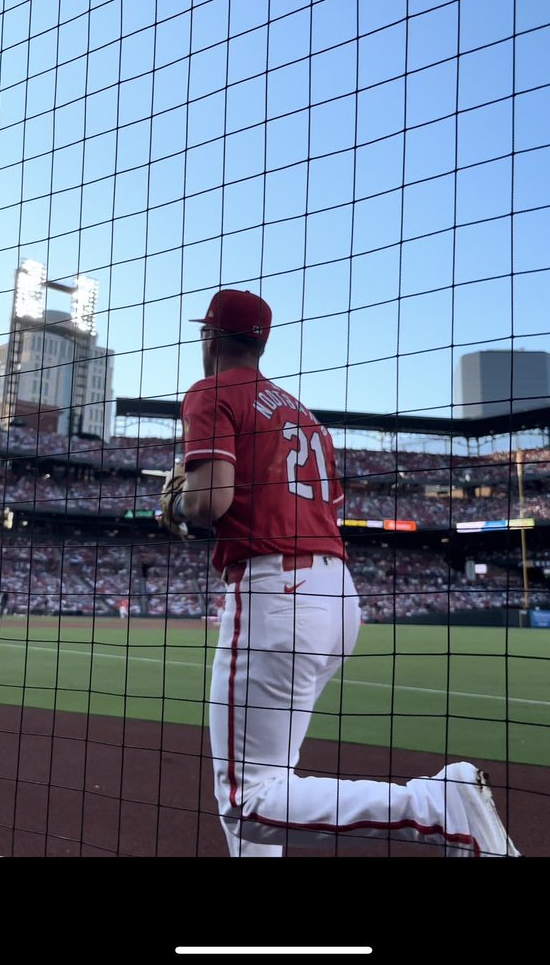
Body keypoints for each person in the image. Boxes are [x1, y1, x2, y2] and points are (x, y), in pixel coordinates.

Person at [173, 288, 521, 859]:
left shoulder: (212, 390)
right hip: (335, 597)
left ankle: (437, 809)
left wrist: (185, 500)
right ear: (261, 340)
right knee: (270, 778)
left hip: (277, 594)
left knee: (248, 799)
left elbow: (208, 503)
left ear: (210, 335)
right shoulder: (303, 414)